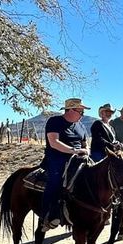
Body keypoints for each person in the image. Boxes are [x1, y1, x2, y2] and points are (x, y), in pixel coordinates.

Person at [41, 98, 90, 230]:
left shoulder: (81, 126)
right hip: (58, 157)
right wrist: (74, 151)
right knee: (55, 181)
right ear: (71, 110)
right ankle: (46, 215)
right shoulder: (55, 121)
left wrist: (86, 151)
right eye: (81, 111)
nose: (82, 115)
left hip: (79, 158)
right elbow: (54, 142)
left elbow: (86, 144)